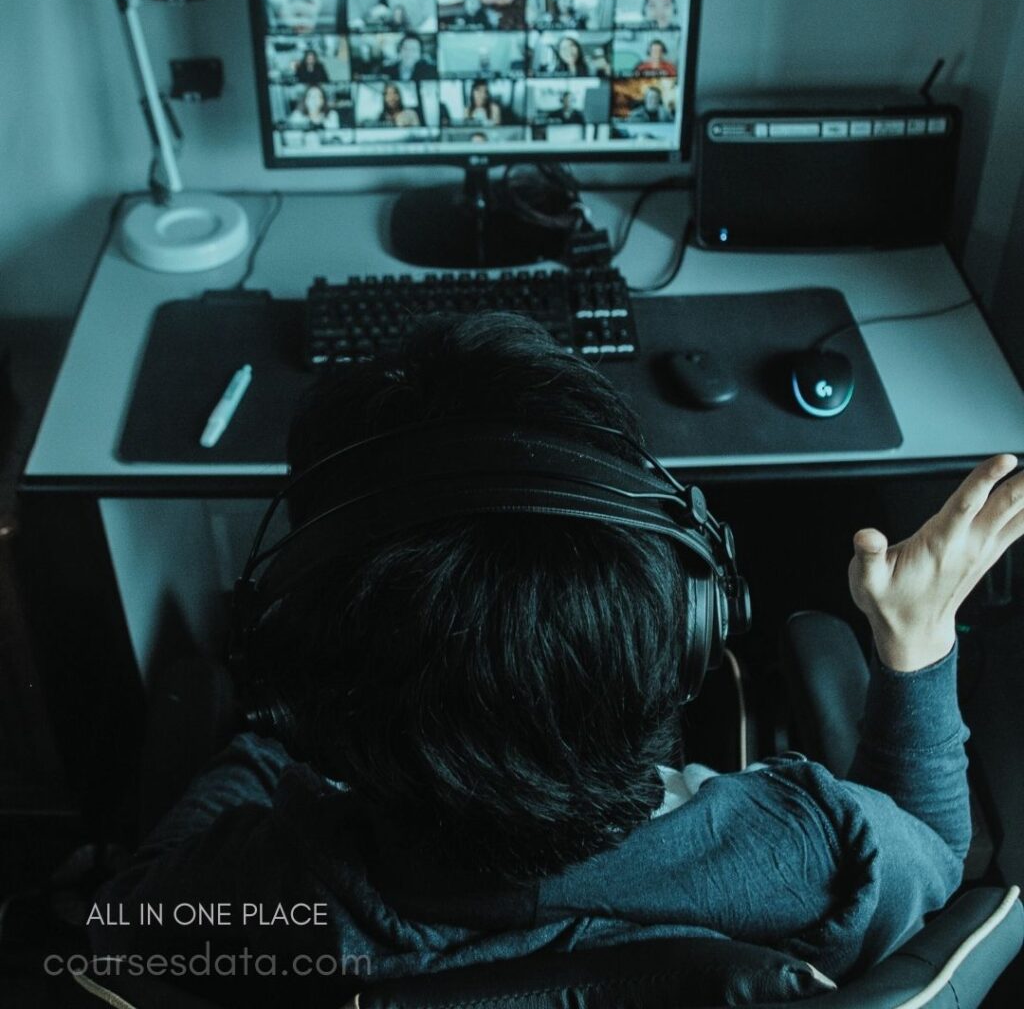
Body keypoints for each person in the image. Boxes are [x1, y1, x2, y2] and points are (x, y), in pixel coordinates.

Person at [88, 316, 1021, 1004]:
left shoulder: (259, 898)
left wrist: (265, 739)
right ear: (688, 628)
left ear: (302, 684)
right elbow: (939, 859)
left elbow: (125, 919)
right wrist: (917, 637)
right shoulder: (803, 850)